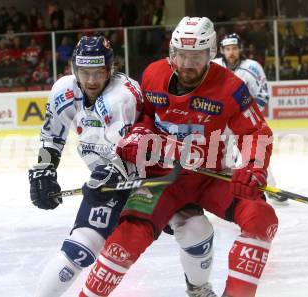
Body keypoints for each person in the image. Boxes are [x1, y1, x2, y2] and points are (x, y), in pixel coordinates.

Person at [80, 17, 278, 297]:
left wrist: (253, 167)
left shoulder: (231, 87)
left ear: (211, 53)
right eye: (182, 55)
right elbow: (145, 116)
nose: (187, 63)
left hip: (211, 178)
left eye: (196, 56)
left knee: (262, 216)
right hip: (163, 180)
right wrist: (137, 136)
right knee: (128, 235)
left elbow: (256, 131)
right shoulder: (153, 75)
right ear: (172, 52)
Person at [28, 35, 217, 297]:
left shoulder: (122, 96)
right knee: (80, 247)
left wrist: (109, 175)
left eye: (99, 72)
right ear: (74, 70)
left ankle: (198, 288)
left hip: (154, 173)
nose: (91, 80)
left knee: (196, 229)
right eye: (84, 72)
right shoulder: (64, 90)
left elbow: (128, 153)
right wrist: (44, 169)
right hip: (110, 175)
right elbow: (52, 135)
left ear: (110, 69)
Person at [212, 33, 285, 204]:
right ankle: (229, 192)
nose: (231, 52)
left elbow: (263, 94)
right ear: (222, 50)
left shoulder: (252, 67)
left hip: (244, 122)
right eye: (228, 49)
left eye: (234, 48)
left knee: (254, 153)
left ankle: (265, 187)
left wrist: (247, 114)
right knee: (222, 157)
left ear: (240, 49)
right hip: (220, 122)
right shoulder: (213, 66)